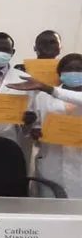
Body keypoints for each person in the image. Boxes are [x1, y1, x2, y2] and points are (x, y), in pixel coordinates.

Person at [9, 54, 82, 198]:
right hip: (51, 160)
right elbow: (34, 128)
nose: (73, 72)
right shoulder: (42, 97)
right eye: (69, 69)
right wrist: (34, 131)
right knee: (49, 205)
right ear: (59, 73)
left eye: (79, 69)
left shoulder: (50, 91)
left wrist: (47, 88)